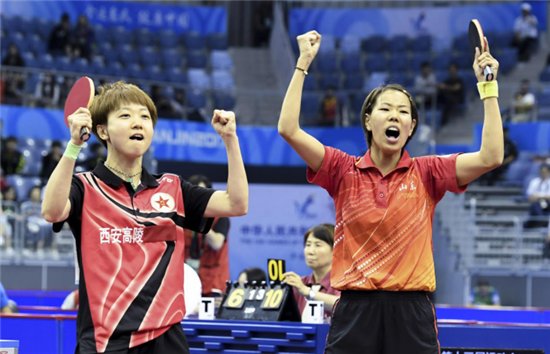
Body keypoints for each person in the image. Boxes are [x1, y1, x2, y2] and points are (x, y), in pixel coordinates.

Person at [278, 31, 502, 353]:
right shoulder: (342, 170)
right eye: (386, 109)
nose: (395, 115)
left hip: (411, 311)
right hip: (355, 309)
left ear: (411, 127)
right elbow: (288, 129)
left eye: (404, 111)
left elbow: (491, 156)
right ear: (368, 121)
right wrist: (302, 64)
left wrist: (488, 87)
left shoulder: (428, 172)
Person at [41, 81, 248, 353]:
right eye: (125, 116)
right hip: (104, 341)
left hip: (165, 339)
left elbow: (236, 203)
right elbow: (52, 211)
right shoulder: (86, 187)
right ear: (101, 130)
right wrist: (73, 146)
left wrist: (230, 139)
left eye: (145, 117)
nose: (138, 123)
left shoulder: (173, 189)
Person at [185, 174, 231, 297]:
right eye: (194, 193)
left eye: (202, 193)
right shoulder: (181, 218)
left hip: (213, 285)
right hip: (187, 283)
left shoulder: (220, 217)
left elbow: (216, 243)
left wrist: (199, 222)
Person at [283, 223, 340, 323]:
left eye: (318, 245)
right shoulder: (300, 284)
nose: (310, 251)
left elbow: (344, 307)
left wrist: (309, 293)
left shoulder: (342, 283)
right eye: (308, 245)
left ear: (335, 250)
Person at [524, 164, 550, 229]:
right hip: (537, 203)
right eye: (541, 172)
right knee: (535, 206)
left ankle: (540, 221)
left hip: (548, 204)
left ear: (548, 172)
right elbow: (530, 197)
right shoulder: (534, 182)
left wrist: (539, 196)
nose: (543, 173)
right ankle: (543, 221)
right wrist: (541, 197)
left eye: (544, 172)